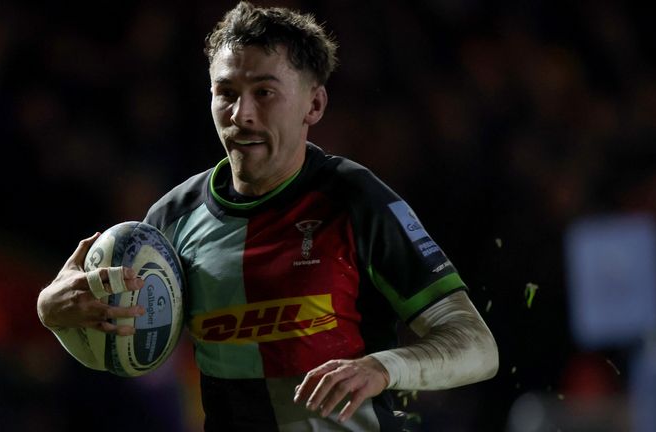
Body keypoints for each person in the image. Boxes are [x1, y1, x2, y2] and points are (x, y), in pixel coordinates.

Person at [37, 2, 499, 430]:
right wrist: (55, 313)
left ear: (313, 105)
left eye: (264, 92)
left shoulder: (355, 200)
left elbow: (478, 347)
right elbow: (129, 350)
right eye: (226, 93)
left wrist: (384, 367)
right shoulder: (171, 221)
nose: (243, 114)